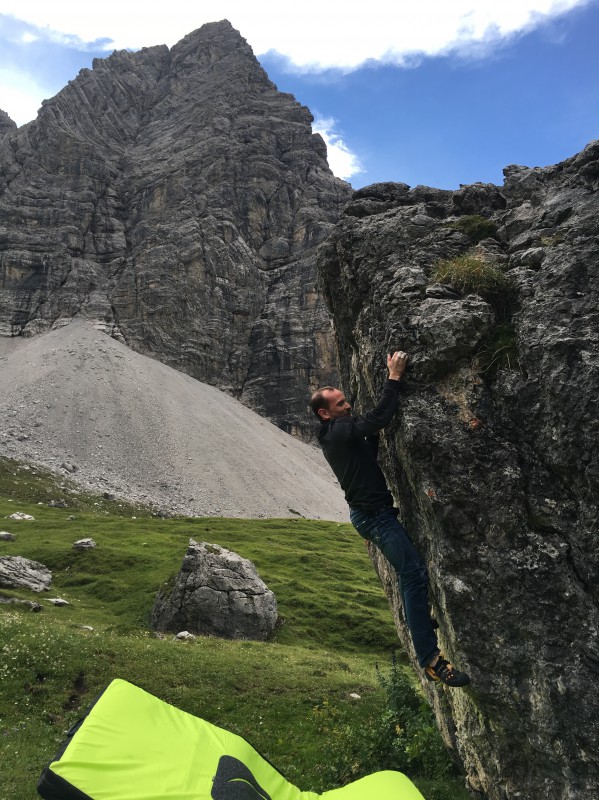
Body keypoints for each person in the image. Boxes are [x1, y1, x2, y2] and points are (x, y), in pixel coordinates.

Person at [310, 351, 470, 688]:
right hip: (376, 518)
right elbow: (377, 419)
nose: (348, 405)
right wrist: (394, 377)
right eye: (340, 404)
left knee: (411, 574)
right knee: (412, 574)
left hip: (370, 516)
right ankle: (431, 660)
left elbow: (368, 446)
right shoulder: (338, 431)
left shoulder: (334, 434)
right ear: (326, 413)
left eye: (345, 400)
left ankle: (420, 619)